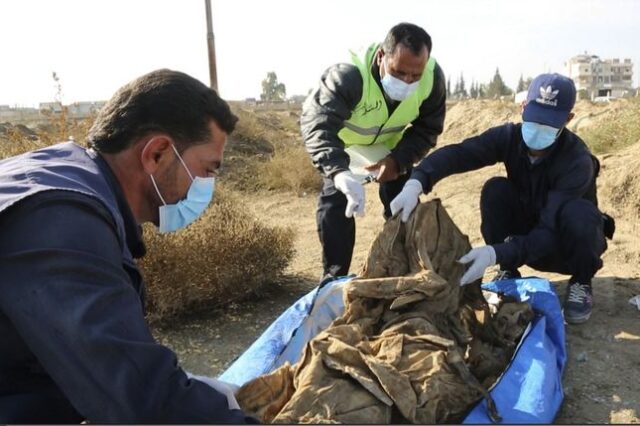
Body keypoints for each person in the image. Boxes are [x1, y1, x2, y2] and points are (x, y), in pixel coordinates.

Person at [0, 69, 257, 423]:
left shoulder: (61, 175)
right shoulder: (61, 223)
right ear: (157, 154)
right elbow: (137, 399)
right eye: (208, 170)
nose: (207, 186)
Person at [390, 73, 614, 324]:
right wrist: (417, 181)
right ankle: (508, 269)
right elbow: (461, 153)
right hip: (525, 235)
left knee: (580, 214)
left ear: (568, 119)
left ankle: (582, 281)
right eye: (534, 118)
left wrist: (495, 253)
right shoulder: (509, 138)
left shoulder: (576, 161)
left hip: (564, 247)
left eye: (548, 124)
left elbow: (549, 232)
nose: (538, 129)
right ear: (523, 107)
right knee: (496, 189)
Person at [302, 22, 446, 278]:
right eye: (399, 72)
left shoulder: (432, 78)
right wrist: (338, 172)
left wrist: (398, 161)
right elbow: (317, 124)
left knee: (404, 204)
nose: (407, 82)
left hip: (389, 146)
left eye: (415, 76)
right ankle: (334, 277)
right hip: (344, 147)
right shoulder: (349, 76)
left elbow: (427, 129)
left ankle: (407, 270)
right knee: (336, 204)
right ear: (382, 56)